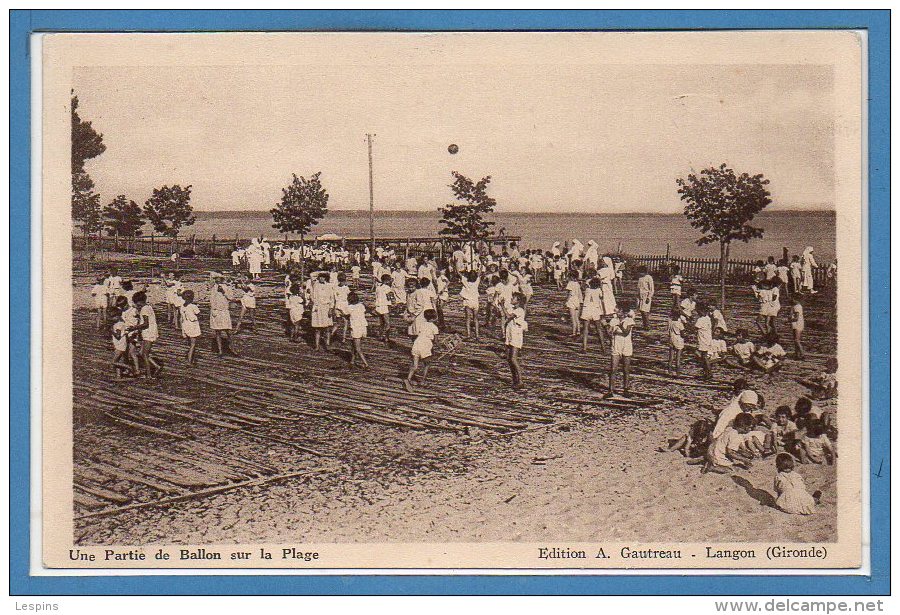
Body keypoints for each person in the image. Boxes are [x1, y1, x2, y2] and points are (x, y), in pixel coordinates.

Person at [404, 309, 439, 391]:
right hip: (425, 345)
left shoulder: (422, 324)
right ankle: (423, 380)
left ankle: (408, 379)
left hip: (417, 343)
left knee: (415, 365)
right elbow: (436, 340)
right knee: (427, 364)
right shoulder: (434, 327)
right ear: (434, 318)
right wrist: (439, 346)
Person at [130, 291, 162, 378]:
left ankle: (149, 375)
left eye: (137, 303)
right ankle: (156, 366)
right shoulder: (148, 307)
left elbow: (146, 323)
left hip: (149, 333)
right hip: (150, 332)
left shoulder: (144, 309)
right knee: (141, 352)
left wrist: (134, 328)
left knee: (144, 354)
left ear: (139, 302)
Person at [606, 306, 634, 398]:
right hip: (616, 345)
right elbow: (609, 333)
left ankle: (626, 389)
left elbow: (626, 333)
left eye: (618, 311)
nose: (616, 312)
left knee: (626, 369)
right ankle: (610, 390)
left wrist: (620, 325)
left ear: (623, 312)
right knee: (613, 369)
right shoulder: (613, 320)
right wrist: (608, 329)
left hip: (626, 346)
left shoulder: (629, 320)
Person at [209, 275, 239, 356]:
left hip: (224, 312)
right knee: (217, 332)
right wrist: (213, 309)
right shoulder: (213, 287)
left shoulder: (226, 287)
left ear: (221, 279)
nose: (216, 279)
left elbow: (231, 298)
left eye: (217, 278)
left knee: (228, 331)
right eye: (215, 278)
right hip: (216, 311)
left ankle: (232, 348)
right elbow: (211, 300)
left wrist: (223, 292)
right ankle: (220, 350)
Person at [504, 292, 528, 389]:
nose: (511, 299)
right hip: (510, 335)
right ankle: (515, 379)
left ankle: (520, 380)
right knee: (509, 359)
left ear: (518, 301)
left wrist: (502, 306)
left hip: (516, 336)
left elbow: (509, 316)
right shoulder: (514, 309)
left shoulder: (520, 310)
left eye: (513, 298)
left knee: (513, 358)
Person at [581, 277, 607, 352]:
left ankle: (584, 347)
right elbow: (602, 299)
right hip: (595, 309)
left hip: (587, 309)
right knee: (599, 329)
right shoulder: (599, 290)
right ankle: (603, 347)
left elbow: (583, 288)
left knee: (585, 329)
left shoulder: (587, 290)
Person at [110, 307, 137, 378]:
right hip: (120, 344)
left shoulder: (118, 325)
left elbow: (118, 336)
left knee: (114, 362)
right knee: (117, 361)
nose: (111, 319)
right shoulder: (121, 323)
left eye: (113, 317)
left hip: (120, 345)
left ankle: (129, 368)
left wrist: (111, 331)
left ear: (118, 316)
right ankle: (118, 376)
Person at [346, 291, 369, 368]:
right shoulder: (361, 306)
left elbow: (346, 314)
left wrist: (339, 311)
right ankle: (352, 361)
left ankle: (366, 364)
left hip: (356, 328)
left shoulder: (350, 307)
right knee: (353, 345)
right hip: (363, 327)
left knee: (358, 348)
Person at [179, 289, 202, 365]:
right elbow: (199, 315)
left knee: (190, 343)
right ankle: (189, 360)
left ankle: (191, 357)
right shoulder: (193, 306)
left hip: (185, 325)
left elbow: (181, 318)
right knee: (193, 344)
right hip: (193, 325)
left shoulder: (182, 306)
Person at [459, 270, 481, 340]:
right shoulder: (477, 282)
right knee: (476, 319)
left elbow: (458, 273)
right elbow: (479, 272)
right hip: (475, 302)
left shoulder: (465, 281)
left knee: (468, 319)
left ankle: (469, 334)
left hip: (468, 302)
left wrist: (455, 264)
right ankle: (477, 335)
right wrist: (481, 264)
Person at [694, 303, 713, 380]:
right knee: (703, 356)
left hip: (703, 340)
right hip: (707, 339)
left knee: (704, 357)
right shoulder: (708, 318)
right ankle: (706, 372)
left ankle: (709, 372)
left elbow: (694, 328)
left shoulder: (700, 319)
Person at [374, 274, 394, 343]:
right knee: (387, 323)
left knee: (381, 323)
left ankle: (380, 335)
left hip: (378, 306)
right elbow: (389, 297)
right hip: (384, 306)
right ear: (387, 281)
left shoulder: (378, 287)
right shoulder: (387, 288)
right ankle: (386, 337)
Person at [332, 272, 351, 343]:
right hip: (343, 305)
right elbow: (349, 297)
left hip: (339, 305)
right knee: (344, 322)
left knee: (340, 322)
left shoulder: (335, 288)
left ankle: (335, 334)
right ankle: (343, 337)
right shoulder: (346, 288)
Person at [564, 270, 584, 337]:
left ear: (571, 276)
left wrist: (566, 301)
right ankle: (578, 331)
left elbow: (569, 294)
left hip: (572, 300)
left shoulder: (570, 283)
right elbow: (579, 294)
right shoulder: (578, 284)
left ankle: (573, 332)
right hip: (577, 300)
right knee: (577, 318)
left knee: (572, 318)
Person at [667, 305, 686, 374]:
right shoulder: (680, 324)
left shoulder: (670, 322)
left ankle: (669, 369)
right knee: (678, 356)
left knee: (671, 356)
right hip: (678, 339)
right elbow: (682, 334)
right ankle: (677, 370)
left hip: (671, 338)